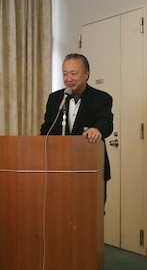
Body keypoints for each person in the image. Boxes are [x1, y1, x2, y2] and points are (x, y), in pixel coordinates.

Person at [40, 54, 114, 195]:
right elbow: (47, 129)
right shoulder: (55, 99)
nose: (68, 79)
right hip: (59, 167)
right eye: (65, 74)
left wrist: (97, 130)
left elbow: (106, 122)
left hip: (90, 165)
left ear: (86, 74)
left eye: (73, 73)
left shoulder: (101, 98)